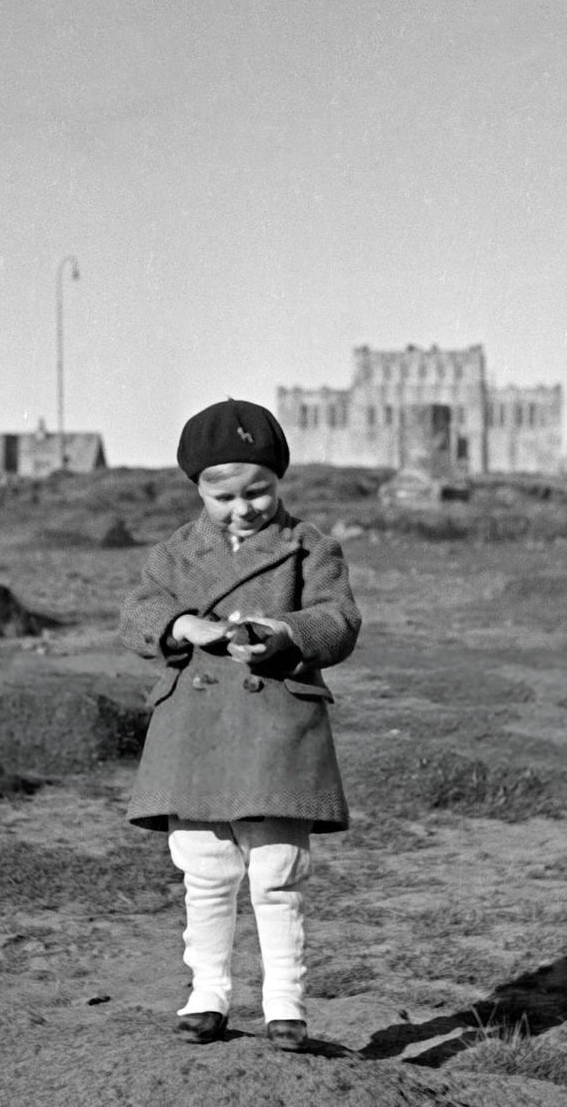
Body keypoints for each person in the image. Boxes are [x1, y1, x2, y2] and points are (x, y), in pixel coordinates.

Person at [118, 398, 360, 1054]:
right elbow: (137, 612)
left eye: (258, 490)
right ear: (197, 488)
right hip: (195, 726)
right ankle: (208, 995)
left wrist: (287, 633)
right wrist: (182, 625)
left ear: (279, 480)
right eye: (223, 494)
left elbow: (340, 622)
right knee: (205, 867)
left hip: (278, 722)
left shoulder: (311, 546)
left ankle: (285, 1003)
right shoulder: (174, 553)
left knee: (278, 870)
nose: (243, 507)